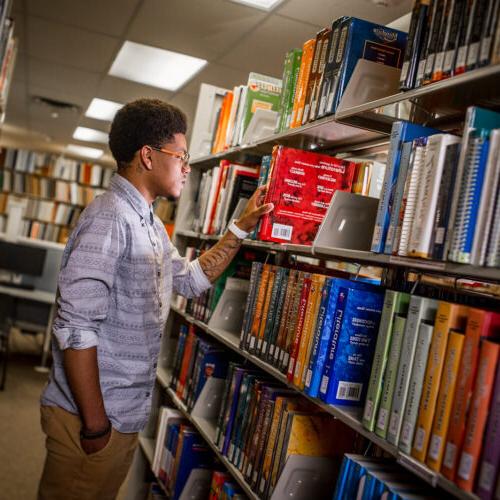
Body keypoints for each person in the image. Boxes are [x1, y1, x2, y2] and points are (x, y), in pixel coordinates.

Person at [37, 98, 273, 500]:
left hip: (119, 418)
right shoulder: (109, 218)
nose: (186, 166)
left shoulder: (148, 223)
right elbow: (76, 330)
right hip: (91, 420)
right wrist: (96, 426)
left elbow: (190, 279)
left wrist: (240, 229)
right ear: (148, 156)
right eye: (180, 155)